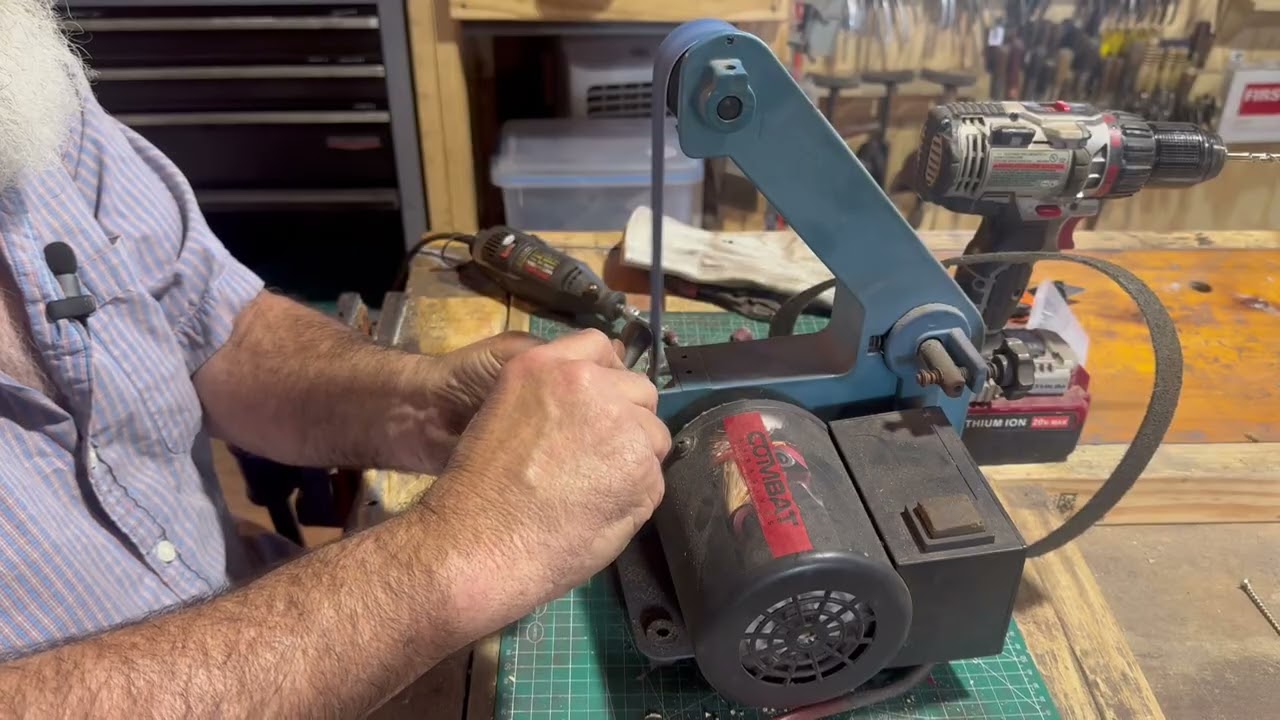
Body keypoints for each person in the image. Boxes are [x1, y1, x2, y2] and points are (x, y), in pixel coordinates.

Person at [0, 0, 671, 714]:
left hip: (262, 604)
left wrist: (423, 401)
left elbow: (211, 321)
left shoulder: (25, 91)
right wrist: (456, 556)